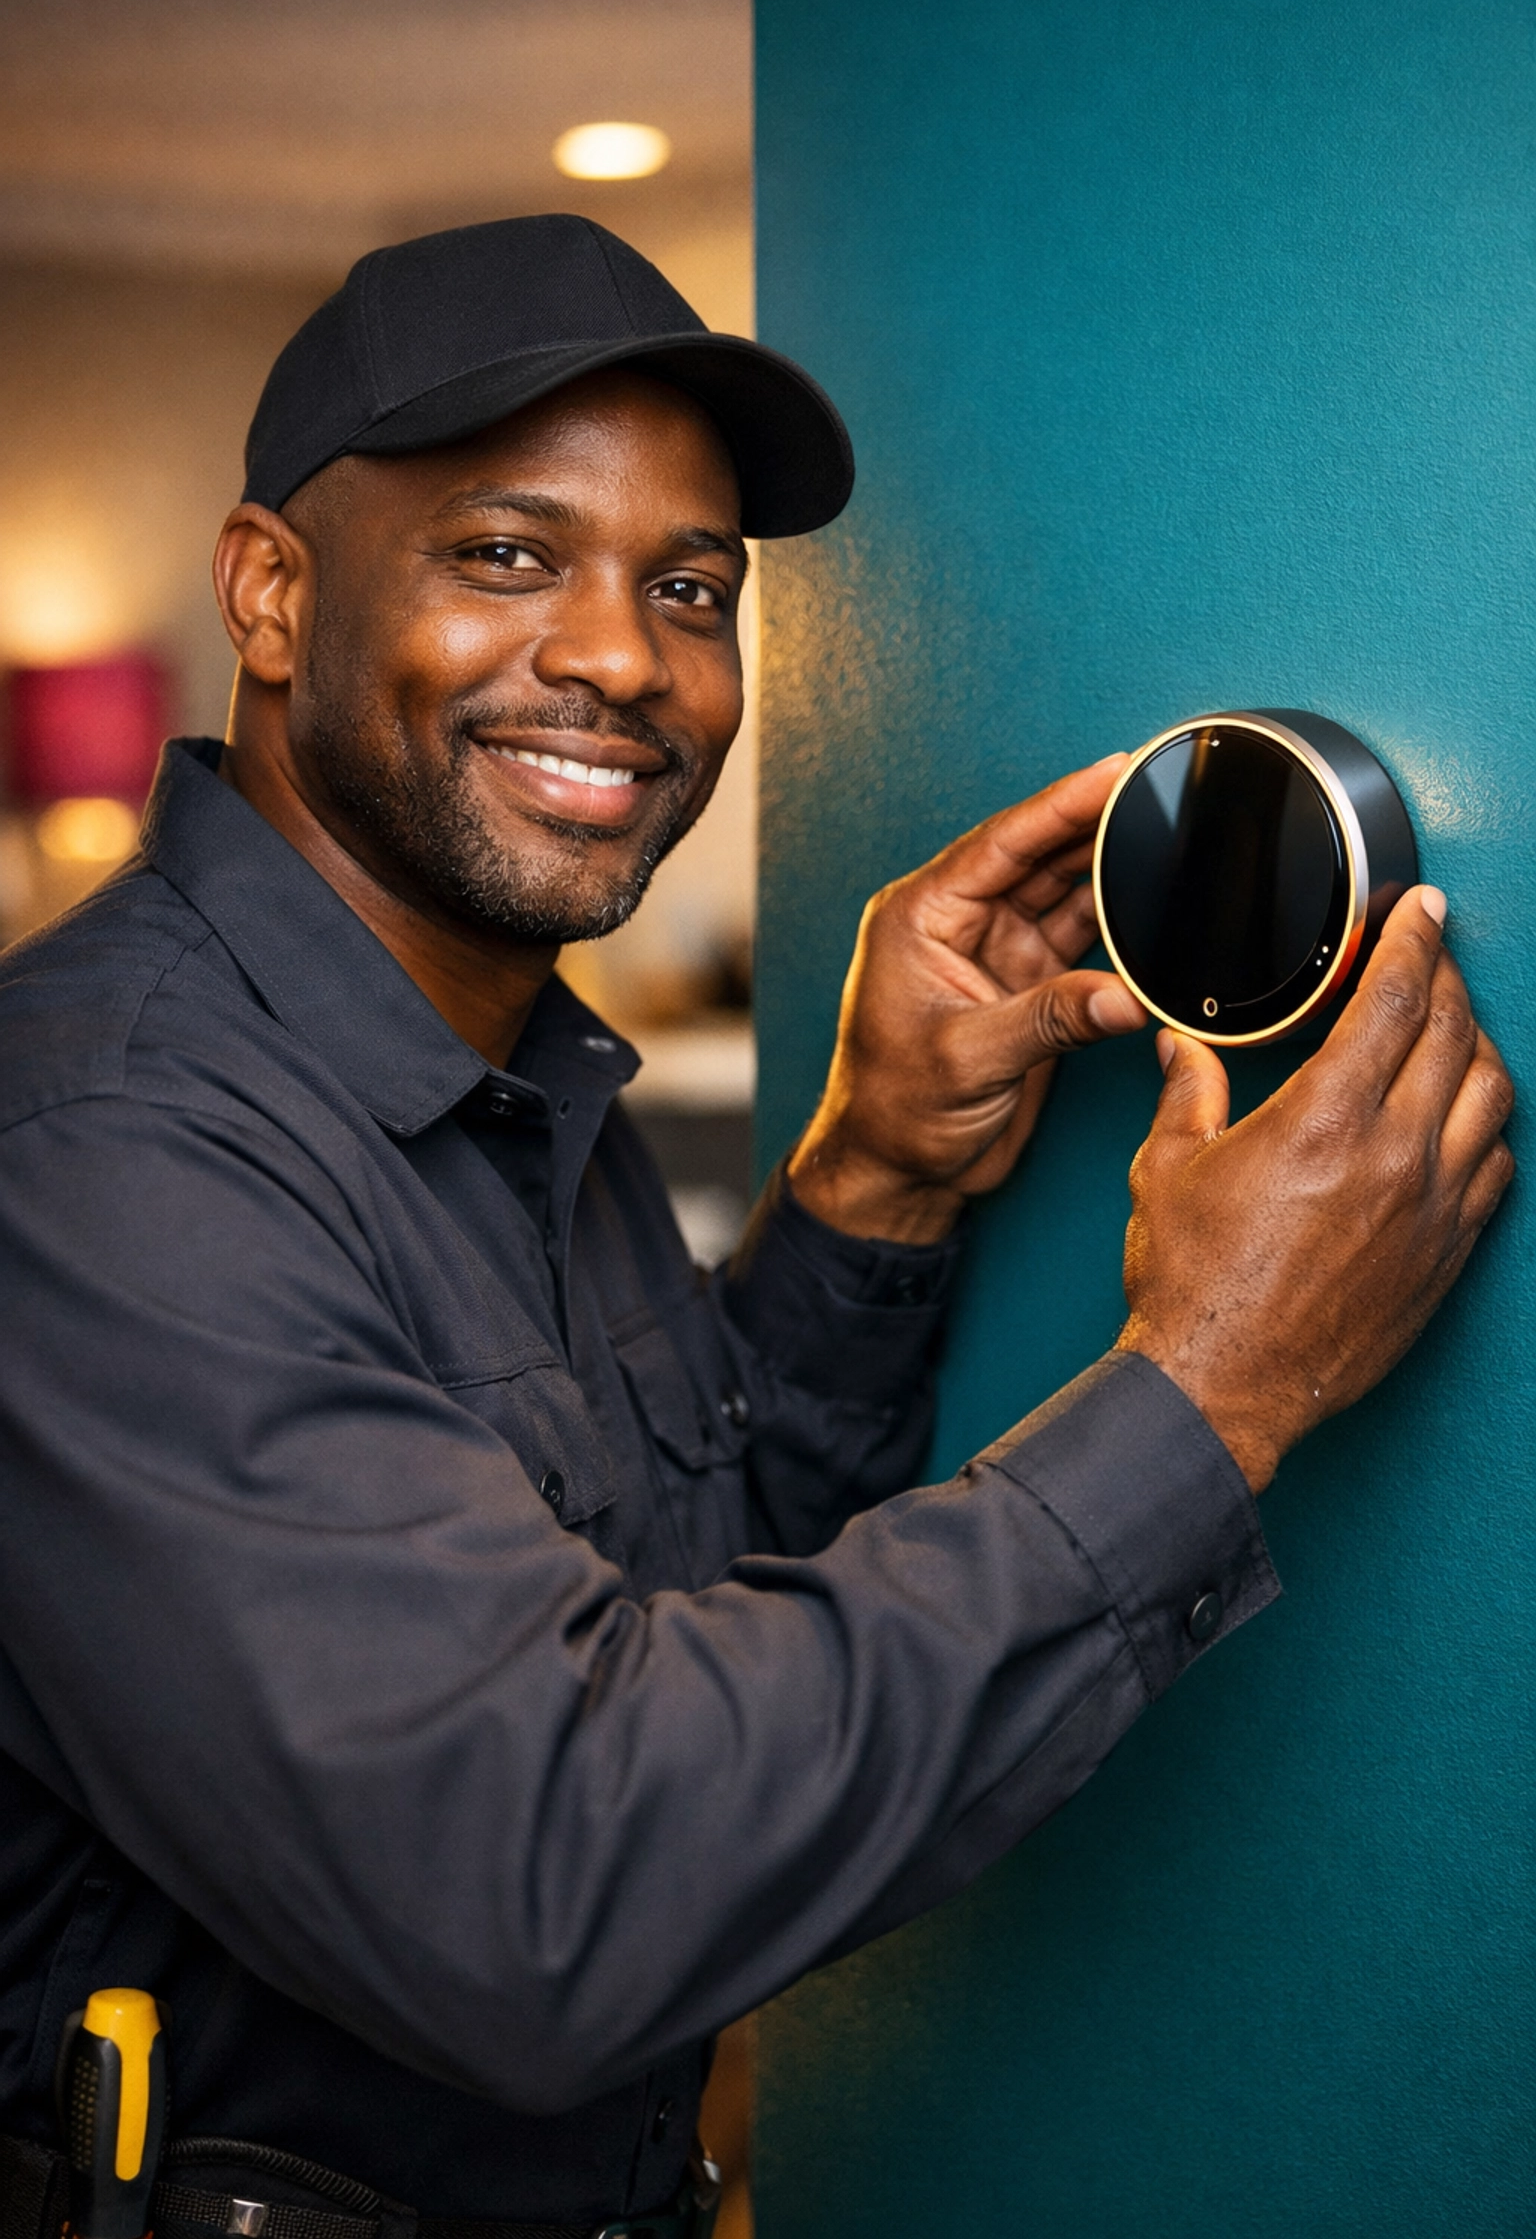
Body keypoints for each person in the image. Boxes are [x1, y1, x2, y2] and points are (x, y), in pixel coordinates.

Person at [0, 217, 1512, 2239]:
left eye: (689, 588)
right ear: (271, 597)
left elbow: (695, 1622)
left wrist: (872, 1181)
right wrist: (1219, 1377)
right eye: (507, 554)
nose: (626, 659)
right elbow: (548, 1890)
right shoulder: (100, 1154)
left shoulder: (527, 1083)